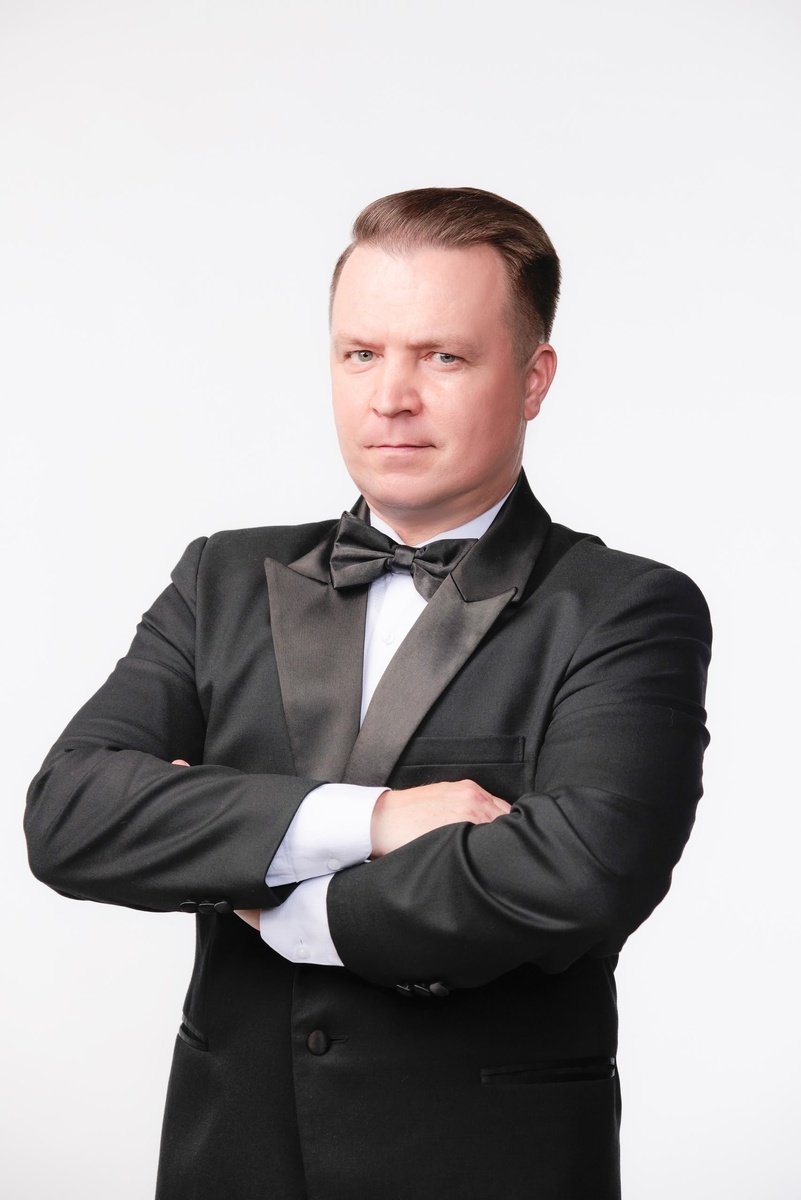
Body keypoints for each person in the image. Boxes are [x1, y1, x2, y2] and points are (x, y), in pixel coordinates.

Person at [25, 187, 712, 1200]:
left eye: (442, 357)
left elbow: (581, 871)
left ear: (533, 380)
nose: (390, 396)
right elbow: (71, 815)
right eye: (360, 353)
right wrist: (380, 821)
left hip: (486, 1168)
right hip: (232, 1160)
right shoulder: (220, 578)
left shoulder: (624, 607)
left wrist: (283, 898)